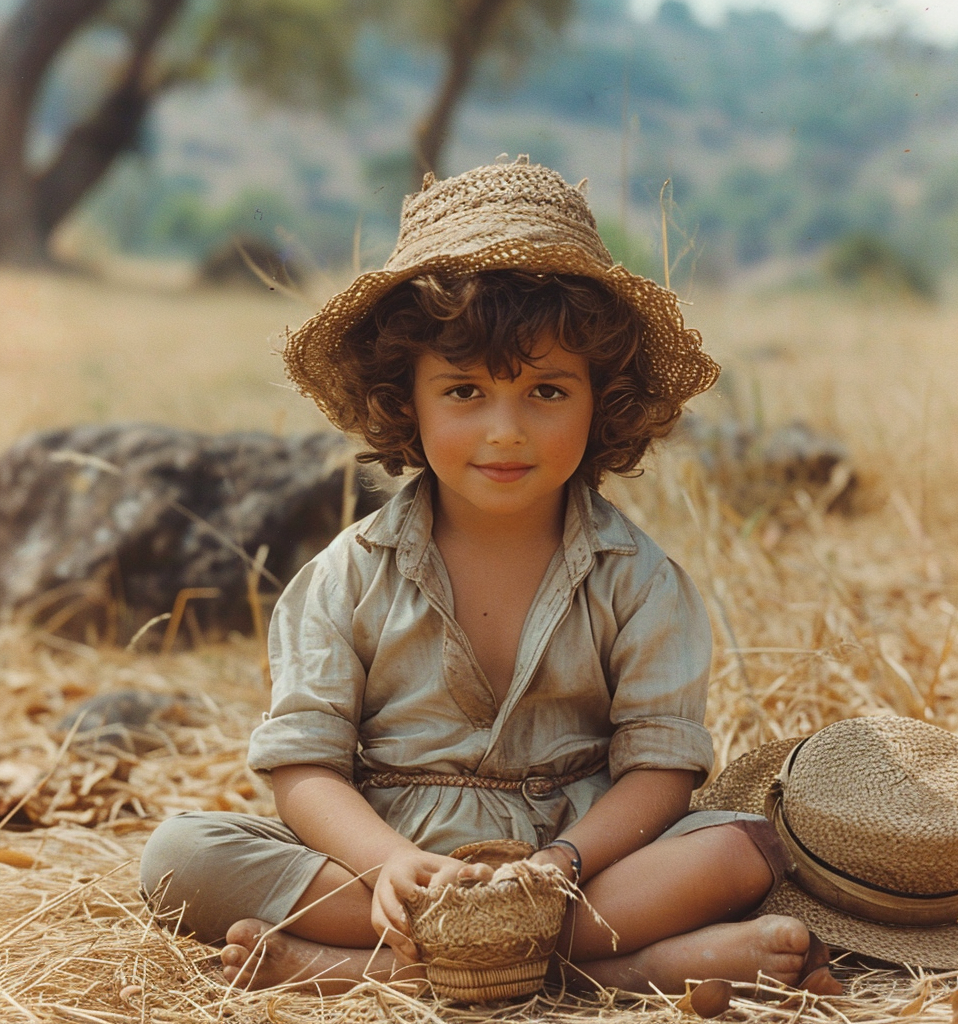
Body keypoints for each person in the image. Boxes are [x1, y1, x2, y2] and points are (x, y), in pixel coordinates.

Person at [140, 156, 841, 998]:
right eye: (464, 390)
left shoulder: (643, 580)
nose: (504, 431)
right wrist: (392, 863)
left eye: (546, 390)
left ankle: (357, 974)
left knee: (747, 848)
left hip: (579, 866)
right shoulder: (348, 574)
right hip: (399, 868)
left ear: (602, 398)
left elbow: (661, 769)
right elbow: (306, 766)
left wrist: (559, 864)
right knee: (180, 857)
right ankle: (630, 969)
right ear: (406, 398)